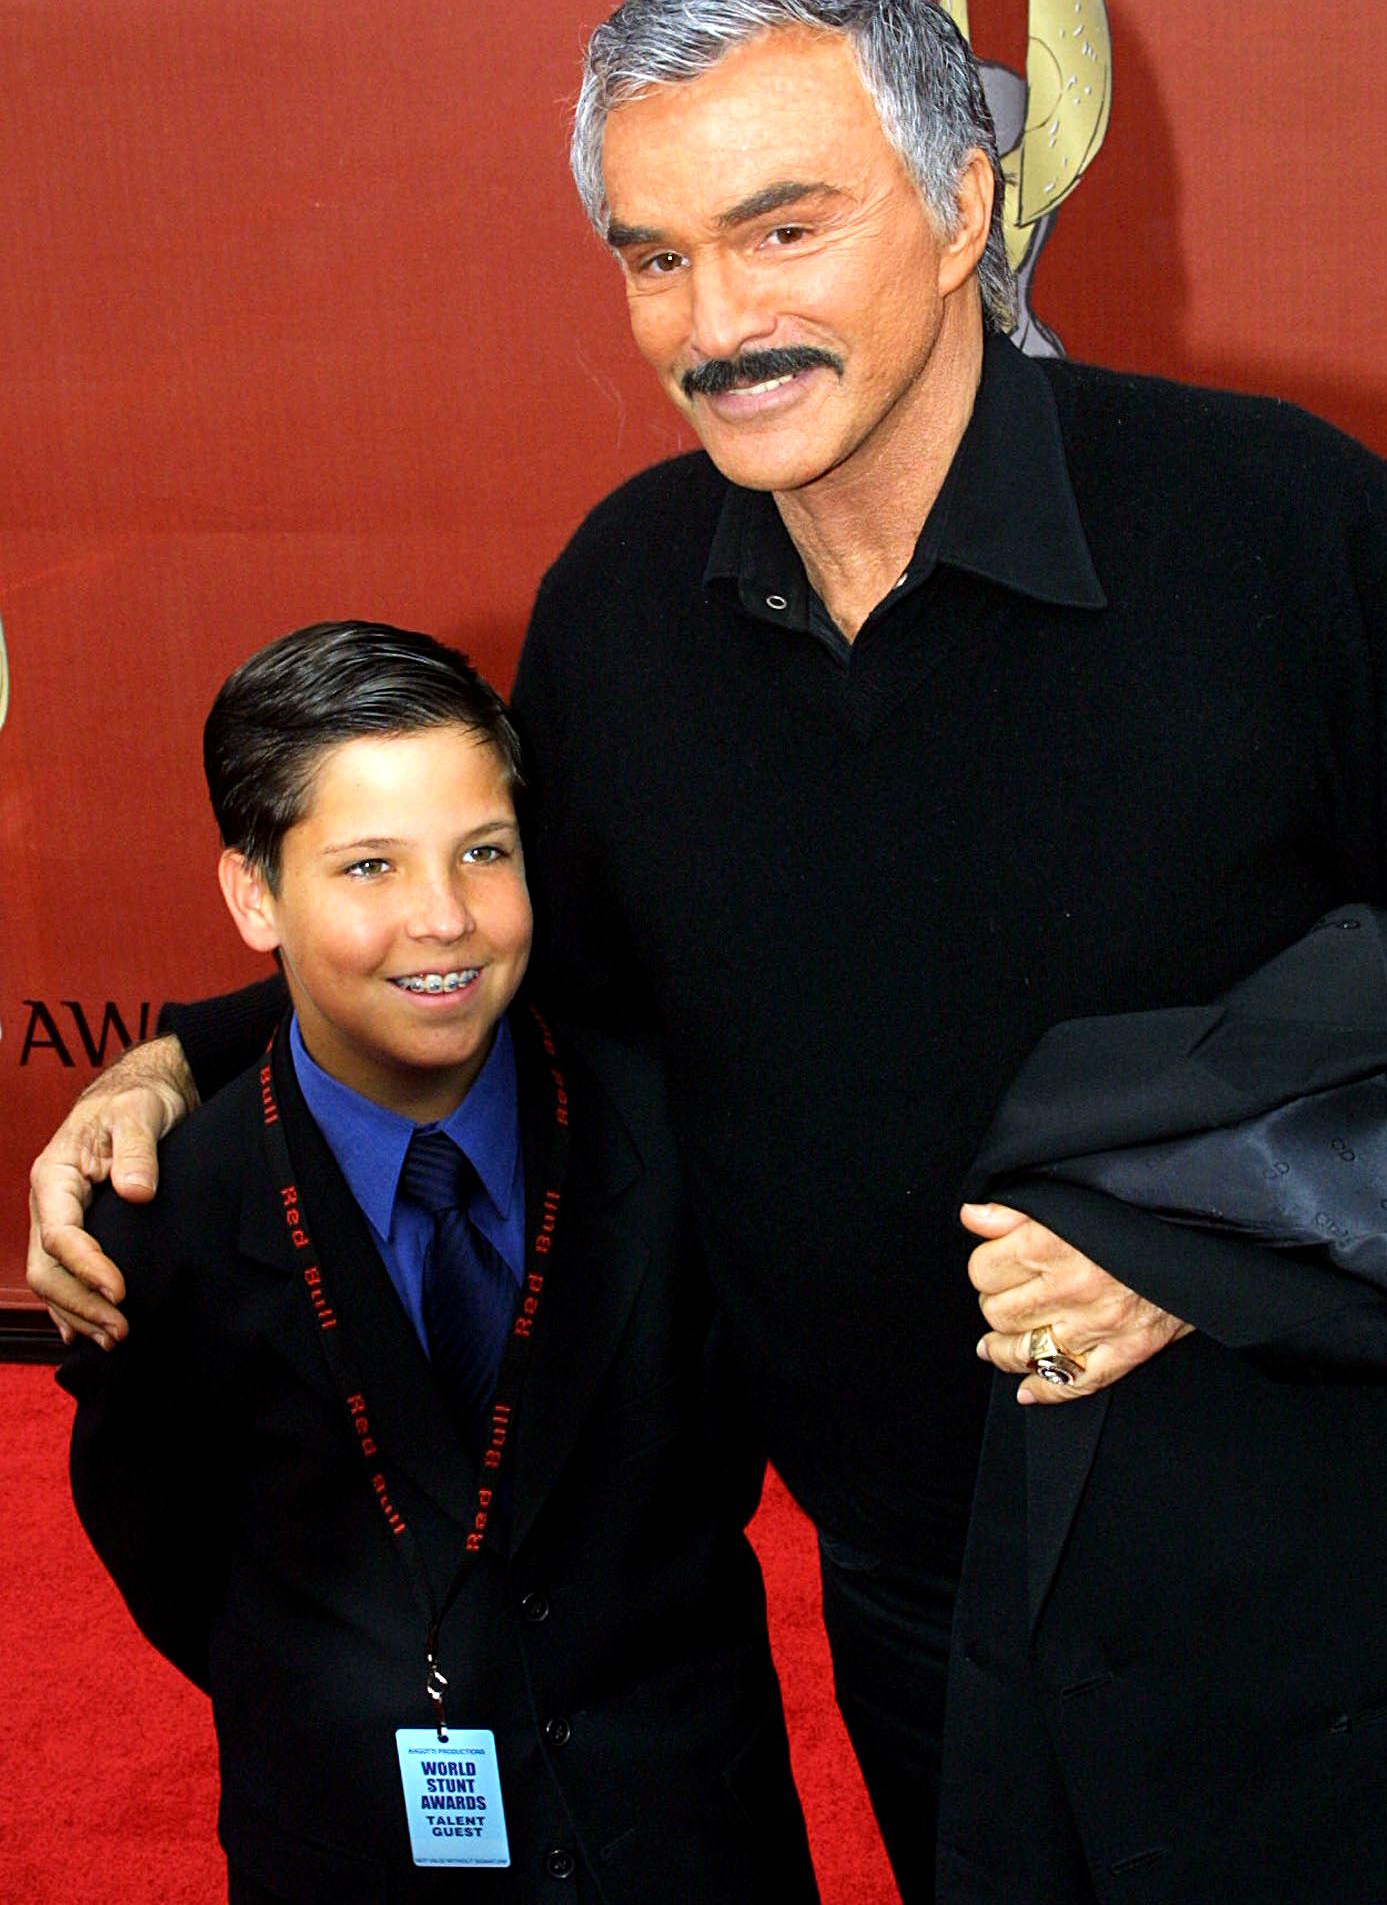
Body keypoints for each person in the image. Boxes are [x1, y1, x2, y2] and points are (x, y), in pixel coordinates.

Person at [31, 0, 1387, 1905]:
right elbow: (532, 986)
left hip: (1296, 1571)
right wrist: (188, 1056)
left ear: (961, 206)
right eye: (654, 255)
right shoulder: (623, 599)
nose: (713, 320)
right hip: (906, 1588)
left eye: (780, 230)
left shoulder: (1281, 531)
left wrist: (1207, 1226)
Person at [56, 620, 817, 1905]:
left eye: (485, 851)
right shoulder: (157, 1223)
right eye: (368, 866)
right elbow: (170, 1555)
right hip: (353, 1849)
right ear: (254, 894)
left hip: (692, 1833)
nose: (445, 918)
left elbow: (718, 1463)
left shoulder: (669, 1133)